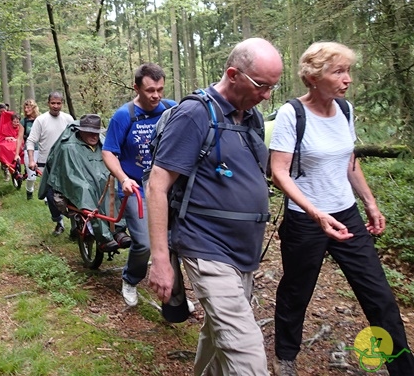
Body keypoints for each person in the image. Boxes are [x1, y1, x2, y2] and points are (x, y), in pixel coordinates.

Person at [269, 42, 414, 376]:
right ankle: (286, 357)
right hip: (306, 220)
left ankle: (402, 369)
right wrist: (315, 212)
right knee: (296, 291)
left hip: (346, 215)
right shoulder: (294, 114)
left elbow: (349, 163)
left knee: (379, 295)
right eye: (338, 71)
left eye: (347, 70)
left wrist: (370, 203)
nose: (347, 78)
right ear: (314, 77)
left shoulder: (345, 110)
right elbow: (279, 172)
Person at [147, 38, 282, 375]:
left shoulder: (249, 116)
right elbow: (157, 186)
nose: (267, 95)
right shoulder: (194, 114)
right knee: (246, 352)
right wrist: (161, 261)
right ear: (233, 74)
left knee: (217, 338)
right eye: (261, 85)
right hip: (206, 248)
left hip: (244, 253)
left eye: (272, 87)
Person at [102, 63, 177, 307]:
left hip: (166, 189)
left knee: (172, 241)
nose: (156, 95)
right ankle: (131, 278)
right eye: (150, 90)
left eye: (160, 89)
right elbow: (109, 152)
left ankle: (174, 295)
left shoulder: (171, 109)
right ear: (136, 88)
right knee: (144, 242)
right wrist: (123, 178)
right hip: (136, 188)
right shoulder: (124, 116)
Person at [38, 114, 118, 251]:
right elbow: (69, 174)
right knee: (85, 190)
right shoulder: (68, 147)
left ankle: (118, 230)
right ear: (81, 131)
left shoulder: (103, 145)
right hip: (79, 185)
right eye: (89, 133)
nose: (94, 136)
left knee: (113, 185)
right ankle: (103, 235)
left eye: (96, 133)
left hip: (101, 182)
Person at [26, 92, 74, 235]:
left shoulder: (68, 119)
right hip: (46, 165)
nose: (56, 106)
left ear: (62, 104)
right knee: (51, 196)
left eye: (58, 103)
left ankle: (75, 225)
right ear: (48, 103)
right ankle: (58, 221)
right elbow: (31, 140)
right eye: (53, 103)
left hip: (67, 164)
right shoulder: (41, 120)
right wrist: (31, 160)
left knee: (71, 195)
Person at [15, 99, 41, 200]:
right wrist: (17, 153)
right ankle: (29, 190)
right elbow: (20, 138)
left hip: (42, 149)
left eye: (28, 107)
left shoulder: (41, 119)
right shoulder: (24, 121)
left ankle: (47, 198)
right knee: (32, 176)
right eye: (25, 107)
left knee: (45, 175)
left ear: (34, 108)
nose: (26, 109)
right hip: (29, 150)